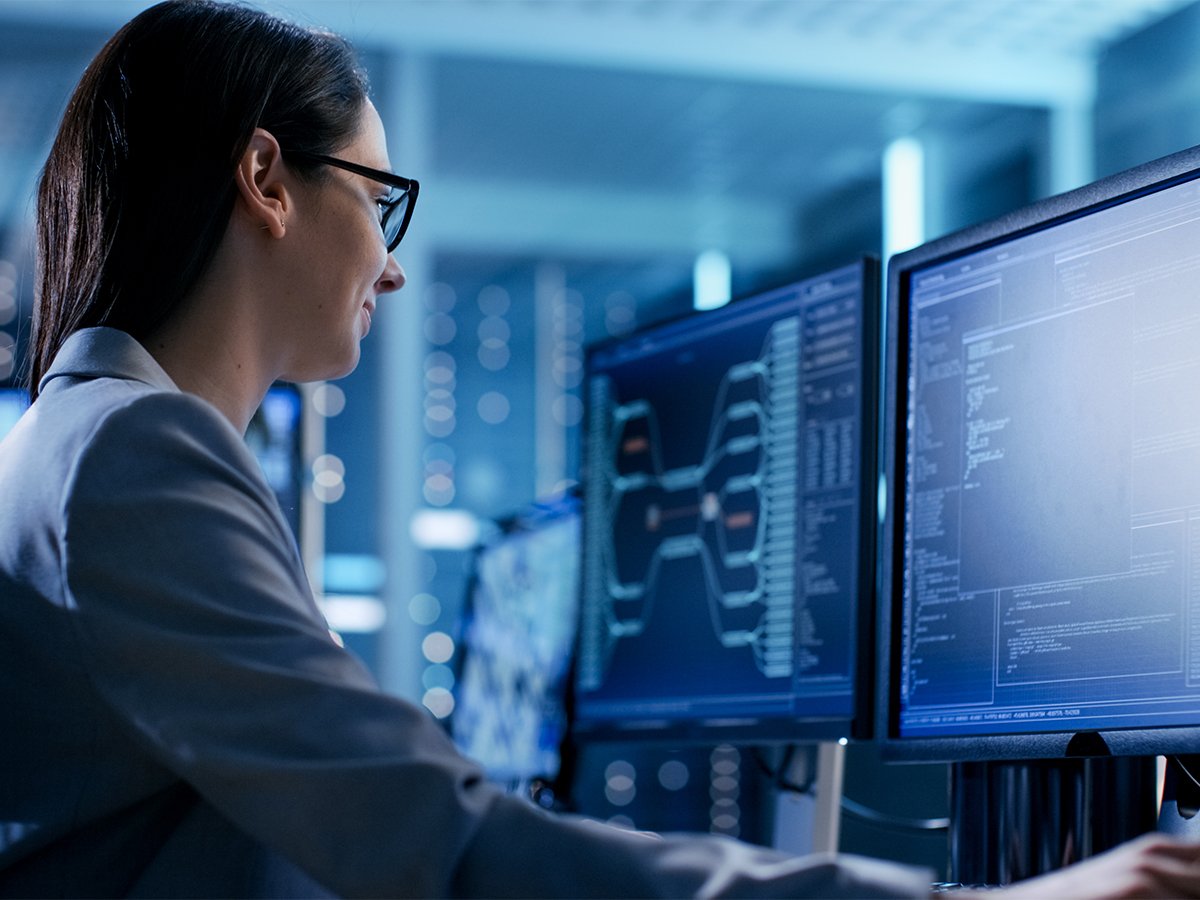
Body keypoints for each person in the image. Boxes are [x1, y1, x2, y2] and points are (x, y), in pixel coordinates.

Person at [1, 1, 1199, 897]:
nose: (394, 262)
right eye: (380, 197)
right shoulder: (134, 455)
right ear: (266, 176)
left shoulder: (90, 441)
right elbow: (438, 839)